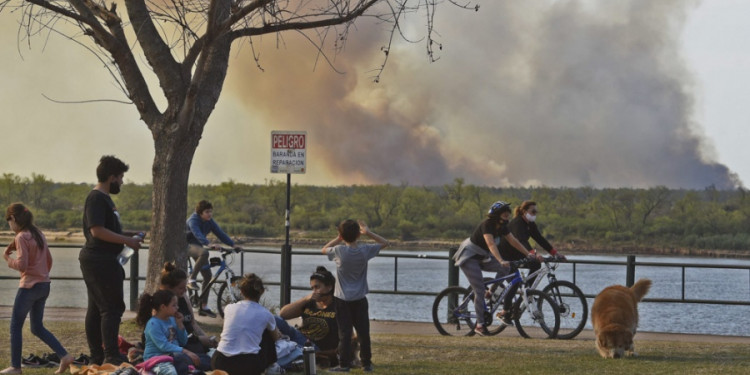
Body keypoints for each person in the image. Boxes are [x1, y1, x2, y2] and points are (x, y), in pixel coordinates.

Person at [79, 155, 144, 365]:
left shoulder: (105, 199)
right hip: (99, 260)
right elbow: (96, 231)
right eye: (121, 177)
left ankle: (98, 356)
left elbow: (107, 229)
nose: (122, 182)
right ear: (111, 177)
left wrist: (129, 235)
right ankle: (110, 355)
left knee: (98, 308)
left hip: (103, 259)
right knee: (112, 308)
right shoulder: (96, 198)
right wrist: (127, 240)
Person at [2, 203, 74, 375]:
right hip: (44, 285)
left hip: (29, 286)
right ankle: (64, 355)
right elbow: (48, 260)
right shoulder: (38, 234)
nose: (9, 226)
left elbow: (22, 265)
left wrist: (6, 258)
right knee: (36, 327)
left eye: (8, 222)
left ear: (13, 218)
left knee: (15, 326)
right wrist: (41, 275)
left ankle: (15, 367)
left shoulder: (21, 237)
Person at [452, 201, 540, 336]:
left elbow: (513, 241)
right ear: (496, 215)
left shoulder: (503, 226)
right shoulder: (487, 225)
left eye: (508, 214)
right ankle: (480, 325)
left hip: (482, 256)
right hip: (469, 257)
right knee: (479, 289)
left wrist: (528, 254)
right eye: (504, 214)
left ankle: (491, 292)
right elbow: (491, 244)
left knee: (506, 268)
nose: (507, 216)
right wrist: (500, 260)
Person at [322, 220, 389, 372]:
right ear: (358, 234)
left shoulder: (339, 251)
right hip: (359, 299)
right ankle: (366, 364)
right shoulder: (365, 250)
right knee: (363, 332)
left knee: (344, 333)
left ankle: (344, 364)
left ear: (341, 235)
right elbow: (385, 243)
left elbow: (324, 249)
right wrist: (369, 232)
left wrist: (338, 238)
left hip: (342, 299)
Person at [497, 200, 566, 322]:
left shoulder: (530, 224)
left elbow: (540, 239)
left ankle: (527, 291)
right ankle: (505, 312)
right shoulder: (518, 223)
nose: (535, 214)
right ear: (524, 211)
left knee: (535, 264)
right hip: (505, 255)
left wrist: (555, 253)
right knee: (514, 283)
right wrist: (534, 253)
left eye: (536, 212)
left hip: (517, 253)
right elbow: (521, 240)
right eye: (532, 211)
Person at [276, 266, 354, 368]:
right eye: (312, 288)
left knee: (293, 351)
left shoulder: (338, 306)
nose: (314, 291)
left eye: (317, 287)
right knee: (274, 319)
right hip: (300, 337)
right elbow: (283, 314)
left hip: (316, 347)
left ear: (329, 287)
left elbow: (348, 336)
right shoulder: (310, 303)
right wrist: (306, 299)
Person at [212, 273, 282, 375]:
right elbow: (275, 338)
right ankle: (272, 367)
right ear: (261, 292)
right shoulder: (266, 314)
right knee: (267, 332)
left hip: (220, 361)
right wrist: (277, 332)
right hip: (248, 365)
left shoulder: (229, 308)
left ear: (241, 292)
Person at [185, 200, 242, 318]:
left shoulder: (209, 221)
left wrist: (233, 245)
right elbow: (197, 234)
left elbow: (220, 233)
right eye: (207, 212)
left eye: (211, 212)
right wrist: (209, 244)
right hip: (186, 245)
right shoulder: (193, 220)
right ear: (199, 212)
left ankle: (203, 306)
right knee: (205, 253)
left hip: (198, 247)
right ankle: (192, 279)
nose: (210, 214)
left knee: (207, 275)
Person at [158, 262, 214, 371]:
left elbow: (193, 323)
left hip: (193, 344)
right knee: (211, 362)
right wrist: (200, 340)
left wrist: (208, 339)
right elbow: (169, 340)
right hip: (180, 349)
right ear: (169, 288)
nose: (185, 291)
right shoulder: (162, 307)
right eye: (181, 288)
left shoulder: (183, 297)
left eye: (185, 287)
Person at [136, 290, 200, 375]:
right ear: (163, 307)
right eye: (174, 305)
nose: (177, 307)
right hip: (157, 359)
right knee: (171, 372)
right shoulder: (153, 324)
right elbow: (164, 346)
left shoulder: (173, 320)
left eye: (177, 305)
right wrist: (186, 351)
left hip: (173, 356)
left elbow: (183, 342)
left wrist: (180, 324)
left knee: (200, 363)